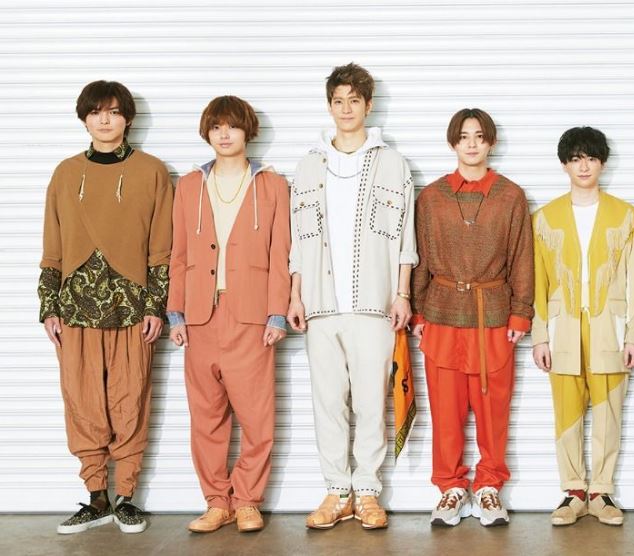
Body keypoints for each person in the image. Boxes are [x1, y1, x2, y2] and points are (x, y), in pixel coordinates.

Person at [287, 63, 417, 530]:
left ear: (368, 105)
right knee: (327, 402)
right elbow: (296, 242)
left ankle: (367, 492)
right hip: (320, 305)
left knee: (369, 403)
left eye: (354, 101)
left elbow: (405, 238)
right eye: (338, 101)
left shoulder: (392, 163)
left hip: (374, 305)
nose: (346, 109)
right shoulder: (308, 165)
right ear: (329, 106)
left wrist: (402, 293)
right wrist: (295, 296)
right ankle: (335, 491)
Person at [39, 80, 172, 535]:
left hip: (131, 306)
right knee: (82, 402)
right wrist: (49, 305)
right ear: (84, 118)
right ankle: (96, 497)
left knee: (131, 399)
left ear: (127, 118)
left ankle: (127, 497)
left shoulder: (152, 171)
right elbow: (52, 248)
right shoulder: (65, 173)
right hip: (74, 307)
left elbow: (162, 248)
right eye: (96, 112)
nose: (105, 120)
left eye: (114, 111)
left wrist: (155, 305)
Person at [167, 95, 290, 533]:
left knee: (257, 417)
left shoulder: (272, 186)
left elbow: (281, 253)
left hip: (251, 317)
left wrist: (277, 313)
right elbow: (178, 253)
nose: (224, 134)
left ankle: (248, 500)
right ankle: (217, 501)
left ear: (247, 131)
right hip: (200, 316)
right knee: (206, 417)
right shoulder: (188, 186)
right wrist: (175, 311)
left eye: (232, 126)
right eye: (216, 126)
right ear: (207, 132)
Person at [412, 108, 534, 527]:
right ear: (453, 142)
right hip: (442, 314)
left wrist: (521, 313)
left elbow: (522, 257)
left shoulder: (510, 196)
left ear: (491, 142)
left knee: (492, 409)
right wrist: (417, 310)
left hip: (492, 315)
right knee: (445, 411)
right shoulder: (431, 198)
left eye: (479, 136)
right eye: (463, 136)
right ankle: (450, 487)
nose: (471, 144)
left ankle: (488, 486)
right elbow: (419, 257)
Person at [531, 126, 634, 526]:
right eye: (576, 159)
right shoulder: (544, 219)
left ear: (603, 163)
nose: (584, 166)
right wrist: (539, 335)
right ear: (564, 164)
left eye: (591, 158)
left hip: (610, 327)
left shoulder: (627, 217)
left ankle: (602, 492)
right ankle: (573, 491)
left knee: (609, 410)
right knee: (566, 411)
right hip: (562, 328)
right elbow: (538, 282)